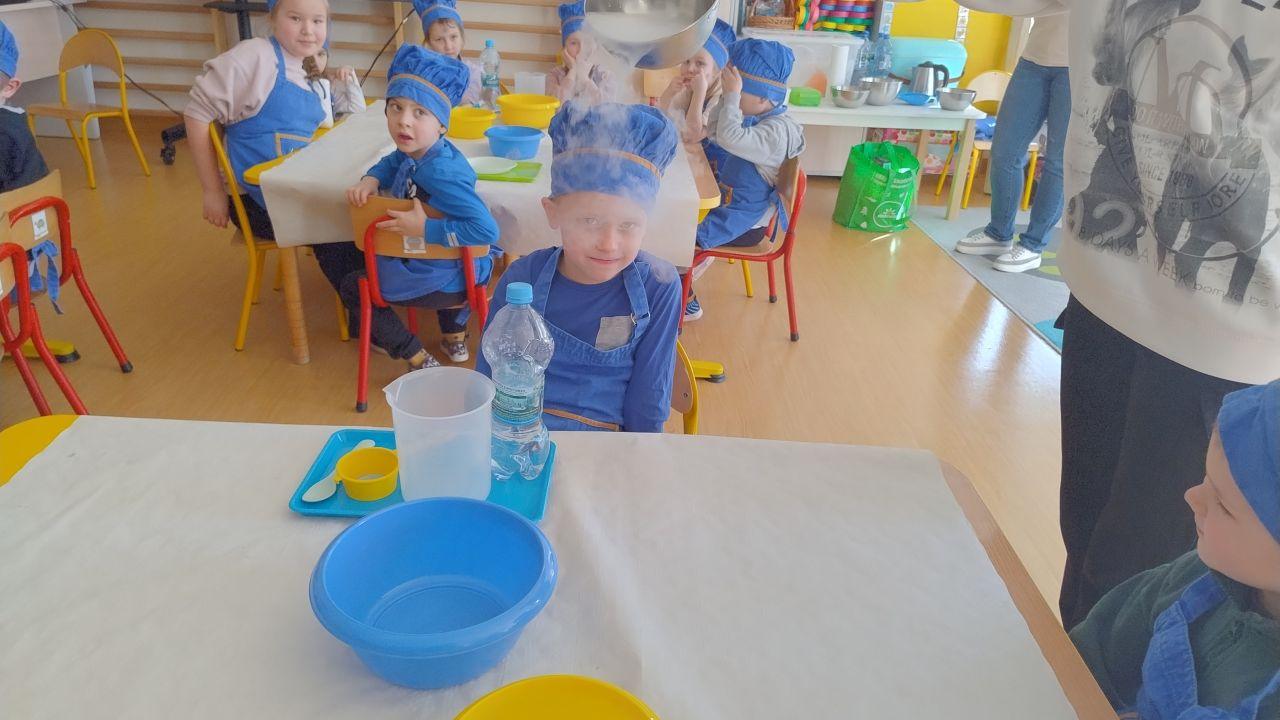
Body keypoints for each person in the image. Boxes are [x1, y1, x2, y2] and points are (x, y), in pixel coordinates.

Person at [954, 0, 1280, 629]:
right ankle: (1073, 667)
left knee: (1141, 579)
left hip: (1232, 333)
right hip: (1104, 285)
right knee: (1084, 539)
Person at [1069, 380, 1280, 718]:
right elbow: (1094, 649)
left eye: (1223, 505)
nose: (1192, 497)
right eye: (1206, 479)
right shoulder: (1194, 575)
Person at [476, 102, 682, 433]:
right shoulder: (522, 279)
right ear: (553, 212)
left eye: (628, 225)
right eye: (590, 221)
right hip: (521, 439)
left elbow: (649, 399)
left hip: (609, 446)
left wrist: (642, 456)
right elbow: (489, 385)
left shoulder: (659, 287)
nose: (609, 243)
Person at [185, 0, 364, 295]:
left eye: (317, 21)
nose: (308, 30)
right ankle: (373, 314)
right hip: (257, 203)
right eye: (295, 18)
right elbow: (196, 113)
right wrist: (212, 190)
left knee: (362, 211)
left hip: (290, 191)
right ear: (273, 19)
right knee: (339, 227)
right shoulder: (256, 56)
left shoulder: (306, 67)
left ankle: (380, 297)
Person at [344, 44, 499, 368]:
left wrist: (425, 229)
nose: (404, 122)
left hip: (446, 278)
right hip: (446, 268)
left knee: (351, 284)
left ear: (442, 124)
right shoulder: (422, 149)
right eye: (396, 107)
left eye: (419, 112)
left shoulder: (439, 172)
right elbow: (393, 160)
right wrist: (371, 178)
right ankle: (454, 335)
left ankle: (414, 353)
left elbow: (486, 230)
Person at [685, 37, 805, 321]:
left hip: (745, 225)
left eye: (739, 93)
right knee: (680, 219)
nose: (733, 98)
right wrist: (729, 98)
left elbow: (728, 137)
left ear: (764, 97)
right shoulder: (760, 116)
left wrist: (731, 96)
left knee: (681, 238)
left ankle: (686, 301)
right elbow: (717, 131)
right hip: (731, 210)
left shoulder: (776, 133)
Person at [954, 13, 1068, 273]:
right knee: (1004, 152)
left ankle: (1033, 245)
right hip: (1034, 59)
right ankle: (998, 233)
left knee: (1057, 161)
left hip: (1078, 66)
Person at [0, 21, 60, 306]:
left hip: (9, 264)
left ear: (10, 87)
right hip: (27, 249)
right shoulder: (14, 122)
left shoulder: (4, 136)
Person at [656, 18, 737, 143]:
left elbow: (691, 135)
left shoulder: (721, 99)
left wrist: (699, 94)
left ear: (717, 72)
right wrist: (669, 93)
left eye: (700, 63)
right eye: (686, 61)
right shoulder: (689, 89)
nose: (689, 68)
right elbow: (662, 118)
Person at [545, 0, 616, 104]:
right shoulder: (554, 75)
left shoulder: (605, 77)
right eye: (574, 43)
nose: (581, 49)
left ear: (595, 46)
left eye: (587, 42)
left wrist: (585, 79)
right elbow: (555, 107)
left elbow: (607, 109)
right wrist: (572, 72)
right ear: (564, 47)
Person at [413, 0, 482, 107]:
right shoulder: (422, 76)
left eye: (453, 37)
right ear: (428, 43)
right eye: (439, 39)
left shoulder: (475, 74)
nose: (448, 46)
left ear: (462, 38)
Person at [302, 47, 366, 129]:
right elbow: (324, 121)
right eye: (308, 55)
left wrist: (348, 77)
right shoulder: (294, 86)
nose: (315, 62)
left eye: (320, 54)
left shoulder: (329, 86)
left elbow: (358, 108)